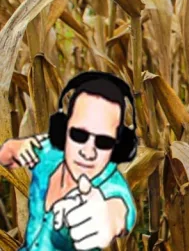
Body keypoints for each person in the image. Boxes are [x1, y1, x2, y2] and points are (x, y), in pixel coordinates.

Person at [0, 71, 138, 250]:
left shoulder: (110, 184)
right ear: (63, 129)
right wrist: (13, 148)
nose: (89, 152)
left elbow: (119, 211)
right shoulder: (49, 153)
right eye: (79, 135)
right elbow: (6, 153)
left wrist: (107, 218)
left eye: (104, 141)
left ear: (119, 147)